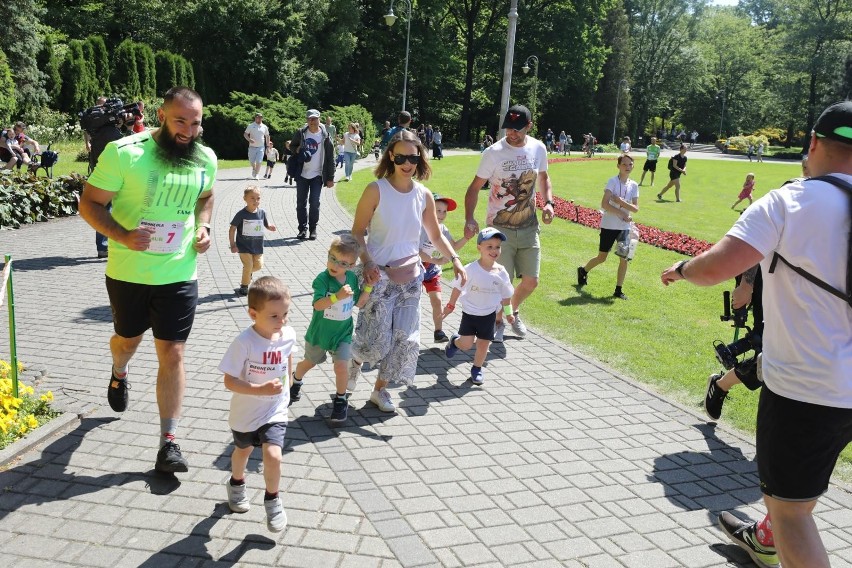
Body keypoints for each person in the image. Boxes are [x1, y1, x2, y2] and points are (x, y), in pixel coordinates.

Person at [662, 100, 852, 568]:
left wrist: (682, 268)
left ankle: (773, 536)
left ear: (811, 144)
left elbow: (719, 267)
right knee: (798, 495)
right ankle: (764, 541)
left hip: (809, 389)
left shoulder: (792, 200)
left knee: (789, 514)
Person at [78, 86, 217, 474]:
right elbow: (88, 203)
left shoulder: (205, 157)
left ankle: (168, 442)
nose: (189, 131)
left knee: (172, 352)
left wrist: (204, 227)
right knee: (127, 341)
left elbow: (206, 197)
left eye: (195, 122)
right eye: (180, 121)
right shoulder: (125, 154)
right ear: (161, 115)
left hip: (178, 272)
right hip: (129, 274)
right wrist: (121, 236)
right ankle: (119, 371)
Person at [348, 129, 467, 413]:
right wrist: (367, 262)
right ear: (391, 155)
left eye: (412, 157)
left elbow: (436, 236)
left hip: (411, 277)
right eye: (400, 156)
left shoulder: (423, 195)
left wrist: (456, 260)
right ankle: (354, 360)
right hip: (378, 276)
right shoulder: (376, 190)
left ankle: (381, 390)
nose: (407, 163)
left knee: (404, 339)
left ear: (419, 159)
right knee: (376, 341)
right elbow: (356, 232)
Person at [463, 104, 555, 342]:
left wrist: (549, 203)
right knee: (501, 282)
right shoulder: (493, 152)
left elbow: (544, 178)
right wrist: (469, 218)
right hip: (499, 229)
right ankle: (498, 321)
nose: (511, 134)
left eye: (517, 129)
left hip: (529, 226)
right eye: (508, 129)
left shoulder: (538, 148)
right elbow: (473, 189)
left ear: (529, 126)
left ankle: (510, 312)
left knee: (531, 281)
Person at [218, 276, 295, 532]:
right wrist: (258, 389)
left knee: (273, 455)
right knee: (243, 451)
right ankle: (237, 483)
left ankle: (273, 500)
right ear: (253, 313)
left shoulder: (288, 334)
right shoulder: (244, 343)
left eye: (285, 314)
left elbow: (287, 359)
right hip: (245, 413)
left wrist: (289, 385)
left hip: (275, 409)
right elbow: (229, 381)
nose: (282, 321)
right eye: (274, 316)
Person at [290, 235, 373, 422]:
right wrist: (337, 296)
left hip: (342, 334)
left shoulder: (351, 278)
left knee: (341, 367)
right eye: (332, 258)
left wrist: (368, 287)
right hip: (320, 334)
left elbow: (358, 304)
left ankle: (341, 400)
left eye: (343, 263)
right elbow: (318, 305)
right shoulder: (322, 279)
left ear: (352, 266)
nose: (335, 265)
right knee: (309, 363)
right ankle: (296, 379)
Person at [442, 228, 515, 385]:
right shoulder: (471, 269)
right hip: (470, 314)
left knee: (483, 344)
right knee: (466, 345)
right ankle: (455, 342)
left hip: (489, 315)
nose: (494, 250)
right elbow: (457, 287)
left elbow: (506, 296)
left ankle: (477, 369)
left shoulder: (502, 273)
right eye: (489, 246)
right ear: (479, 248)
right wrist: (450, 305)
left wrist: (509, 313)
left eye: (497, 246)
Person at [577, 154, 639, 299]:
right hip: (609, 225)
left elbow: (635, 208)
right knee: (602, 257)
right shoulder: (612, 182)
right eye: (624, 164)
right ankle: (583, 270)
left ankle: (618, 290)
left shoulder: (634, 185)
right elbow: (604, 204)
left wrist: (621, 203)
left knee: (624, 258)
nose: (627, 167)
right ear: (618, 166)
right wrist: (622, 212)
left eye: (630, 164)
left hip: (624, 227)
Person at [419, 193, 470, 343]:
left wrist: (467, 238)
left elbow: (452, 247)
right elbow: (417, 251)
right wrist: (436, 260)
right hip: (415, 268)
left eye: (444, 211)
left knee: (437, 300)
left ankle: (438, 331)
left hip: (432, 271)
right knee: (413, 301)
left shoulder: (443, 228)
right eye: (437, 210)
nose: (441, 215)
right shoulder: (420, 226)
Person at [289, 109, 335, 241]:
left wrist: (330, 178)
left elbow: (331, 158)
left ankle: (313, 228)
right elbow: (292, 146)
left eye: (314, 118)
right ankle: (302, 229)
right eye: (309, 119)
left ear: (319, 119)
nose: (312, 121)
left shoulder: (325, 136)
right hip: (302, 174)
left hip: (317, 175)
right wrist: (297, 149)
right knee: (300, 203)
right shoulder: (301, 132)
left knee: (314, 202)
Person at [229, 186, 277, 296]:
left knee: (259, 266)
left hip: (257, 246)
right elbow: (232, 229)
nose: (256, 201)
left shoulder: (262, 212)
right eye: (252, 198)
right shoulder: (241, 214)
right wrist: (232, 245)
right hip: (243, 246)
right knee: (248, 265)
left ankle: (248, 272)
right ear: (245, 199)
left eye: (258, 198)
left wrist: (270, 227)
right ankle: (244, 286)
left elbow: (266, 223)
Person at [244, 112, 269, 180]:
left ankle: (257, 174)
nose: (259, 118)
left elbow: (267, 136)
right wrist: (249, 139)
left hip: (261, 147)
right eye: (258, 117)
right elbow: (245, 134)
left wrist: (268, 146)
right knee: (252, 161)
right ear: (255, 118)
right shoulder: (251, 125)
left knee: (259, 161)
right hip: (252, 147)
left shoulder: (264, 127)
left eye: (261, 117)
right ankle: (254, 169)